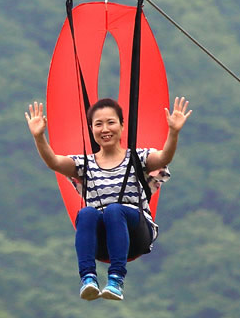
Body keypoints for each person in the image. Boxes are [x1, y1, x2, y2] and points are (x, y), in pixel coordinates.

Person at [25, 96, 192, 301]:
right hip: (103, 240)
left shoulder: (137, 157)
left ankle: (116, 279)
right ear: (91, 129)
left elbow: (163, 157)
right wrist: (39, 136)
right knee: (86, 213)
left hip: (136, 234)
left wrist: (173, 132)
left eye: (111, 122)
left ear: (122, 126)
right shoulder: (84, 164)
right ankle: (88, 278)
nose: (105, 129)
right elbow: (54, 162)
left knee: (115, 210)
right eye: (98, 124)